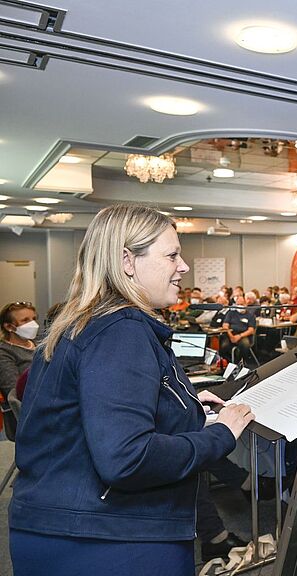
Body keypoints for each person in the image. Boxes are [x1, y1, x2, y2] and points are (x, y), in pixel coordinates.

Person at [9, 205, 255, 576]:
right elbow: (127, 458)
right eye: (172, 255)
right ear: (127, 261)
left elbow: (88, 409)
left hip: (65, 528)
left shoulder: (82, 321)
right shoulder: (121, 331)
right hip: (110, 541)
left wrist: (182, 406)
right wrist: (221, 434)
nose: (184, 266)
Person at [0, 302, 38, 401]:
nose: (33, 324)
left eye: (33, 319)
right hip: (28, 405)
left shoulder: (40, 343)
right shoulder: (4, 352)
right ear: (9, 327)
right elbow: (13, 392)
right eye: (25, 320)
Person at [221, 293, 257, 365]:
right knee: (224, 345)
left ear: (245, 304)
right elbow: (225, 326)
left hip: (244, 335)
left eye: (242, 304)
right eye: (238, 304)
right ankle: (228, 363)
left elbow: (251, 330)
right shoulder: (231, 313)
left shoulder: (250, 315)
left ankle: (241, 363)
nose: (240, 306)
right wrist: (231, 336)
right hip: (230, 334)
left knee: (245, 344)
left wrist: (239, 336)